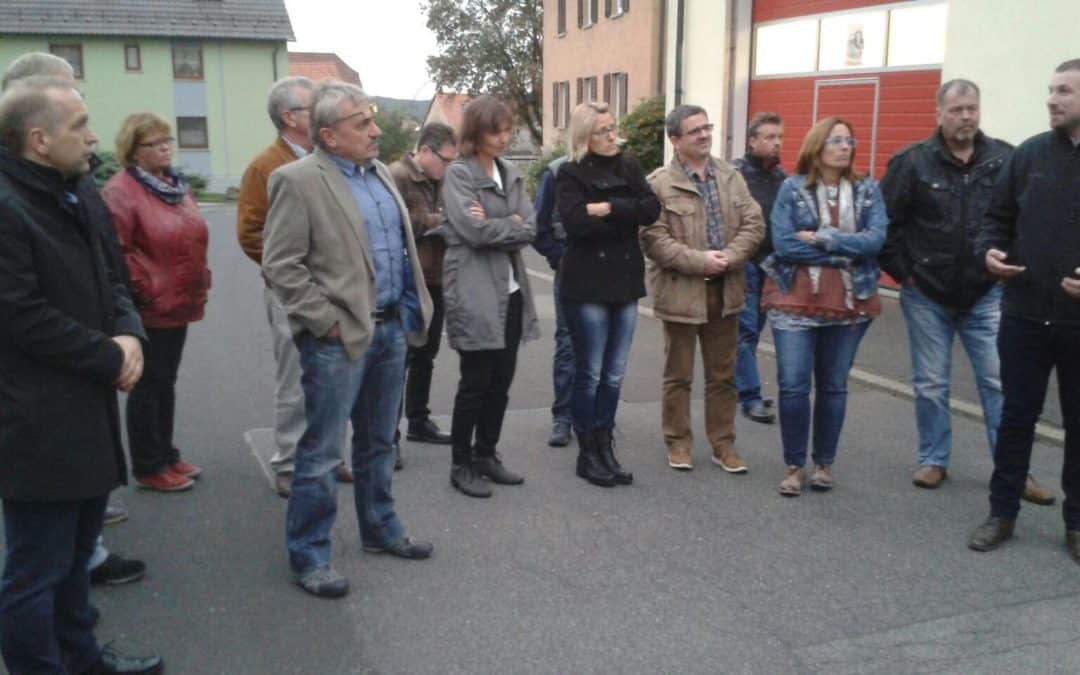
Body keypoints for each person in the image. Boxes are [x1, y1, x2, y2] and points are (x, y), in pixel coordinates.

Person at [0, 77, 162, 675]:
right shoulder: (7, 205)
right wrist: (110, 355)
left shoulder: (76, 189)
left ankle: (83, 658)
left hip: (87, 405)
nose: (93, 137)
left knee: (75, 560)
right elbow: (19, 317)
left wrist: (128, 332)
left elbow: (112, 274)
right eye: (79, 126)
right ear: (38, 139)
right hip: (35, 418)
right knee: (35, 570)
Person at [263, 81, 435, 598]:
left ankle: (380, 529)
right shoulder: (296, 180)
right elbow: (281, 264)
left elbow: (398, 251)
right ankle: (309, 555)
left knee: (380, 441)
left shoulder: (380, 173)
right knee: (320, 453)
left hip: (390, 328)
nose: (376, 130)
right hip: (338, 339)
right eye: (362, 123)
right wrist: (325, 322)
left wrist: (407, 311)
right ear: (329, 135)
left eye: (372, 118)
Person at [879, 80, 1056, 504]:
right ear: (938, 112)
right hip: (927, 293)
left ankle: (1014, 471)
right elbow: (886, 223)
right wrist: (906, 275)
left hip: (987, 293)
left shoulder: (1006, 159)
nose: (965, 117)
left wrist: (1007, 270)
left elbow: (1024, 218)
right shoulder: (912, 162)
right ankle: (934, 459)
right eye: (957, 109)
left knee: (1000, 383)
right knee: (930, 383)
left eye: (972, 108)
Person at [968, 59, 1080, 563]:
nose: (1052, 100)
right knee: (1016, 416)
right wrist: (989, 252)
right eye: (1051, 89)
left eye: (1064, 92)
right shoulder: (1030, 155)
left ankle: (1076, 524)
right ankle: (1002, 511)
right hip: (1025, 315)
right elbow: (996, 219)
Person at [237, 76, 354, 498]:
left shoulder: (331, 158)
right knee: (294, 378)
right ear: (289, 117)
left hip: (338, 289)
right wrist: (290, 272)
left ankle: (330, 453)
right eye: (312, 107)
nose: (323, 113)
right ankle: (287, 461)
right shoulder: (265, 167)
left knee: (335, 375)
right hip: (292, 290)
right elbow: (251, 233)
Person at [761, 117, 887, 496]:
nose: (844, 146)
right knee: (794, 386)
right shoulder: (792, 188)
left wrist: (822, 239)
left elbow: (876, 241)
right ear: (818, 145)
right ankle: (795, 465)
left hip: (851, 299)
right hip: (794, 299)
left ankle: (824, 464)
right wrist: (845, 249)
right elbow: (784, 245)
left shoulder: (868, 190)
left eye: (850, 140)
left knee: (833, 386)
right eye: (836, 140)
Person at [642, 105, 765, 473]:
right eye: (694, 130)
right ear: (675, 139)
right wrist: (701, 261)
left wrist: (729, 257)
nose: (704, 134)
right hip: (681, 292)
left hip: (725, 290)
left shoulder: (731, 177)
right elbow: (653, 239)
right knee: (678, 375)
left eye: (707, 127)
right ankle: (678, 442)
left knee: (723, 376)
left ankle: (723, 445)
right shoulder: (659, 184)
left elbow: (754, 224)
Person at [102, 113, 211, 493]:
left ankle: (166, 452)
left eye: (168, 140)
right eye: (155, 143)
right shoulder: (121, 192)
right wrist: (145, 287)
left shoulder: (172, 185)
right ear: (133, 150)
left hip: (177, 299)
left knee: (165, 381)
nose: (165, 148)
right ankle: (149, 466)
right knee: (148, 385)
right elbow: (116, 251)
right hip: (149, 305)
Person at [556, 102, 660, 487]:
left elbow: (651, 209)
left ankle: (605, 446)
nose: (612, 136)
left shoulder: (629, 165)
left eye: (614, 128)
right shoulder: (570, 172)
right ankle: (588, 452)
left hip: (625, 282)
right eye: (603, 130)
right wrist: (620, 214)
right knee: (591, 372)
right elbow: (576, 222)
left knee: (614, 374)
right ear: (585, 136)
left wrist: (607, 207)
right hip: (587, 285)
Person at [441, 95, 540, 498]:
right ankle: (460, 463)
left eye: (506, 130)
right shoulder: (459, 174)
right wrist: (510, 222)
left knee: (501, 382)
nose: (503, 138)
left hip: (511, 292)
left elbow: (531, 227)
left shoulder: (509, 172)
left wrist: (505, 222)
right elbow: (472, 231)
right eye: (495, 131)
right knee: (475, 382)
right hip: (474, 288)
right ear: (475, 133)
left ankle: (487, 454)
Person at [389, 122, 458, 450]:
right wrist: (436, 221)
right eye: (445, 160)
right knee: (398, 358)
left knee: (426, 355)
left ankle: (418, 420)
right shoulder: (396, 177)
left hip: (437, 279)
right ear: (426, 151)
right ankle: (388, 435)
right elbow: (390, 226)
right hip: (407, 282)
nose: (447, 168)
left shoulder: (441, 179)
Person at [733, 112, 787, 425]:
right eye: (769, 137)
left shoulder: (783, 180)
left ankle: (739, 384)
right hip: (745, 264)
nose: (777, 142)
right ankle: (750, 396)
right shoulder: (737, 176)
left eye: (779, 137)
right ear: (752, 141)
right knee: (746, 330)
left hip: (772, 265)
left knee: (752, 331)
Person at [532, 153, 575, 447]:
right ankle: (563, 417)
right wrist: (559, 258)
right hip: (570, 273)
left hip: (608, 274)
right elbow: (539, 226)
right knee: (569, 343)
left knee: (604, 349)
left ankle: (596, 415)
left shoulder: (618, 168)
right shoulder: (557, 173)